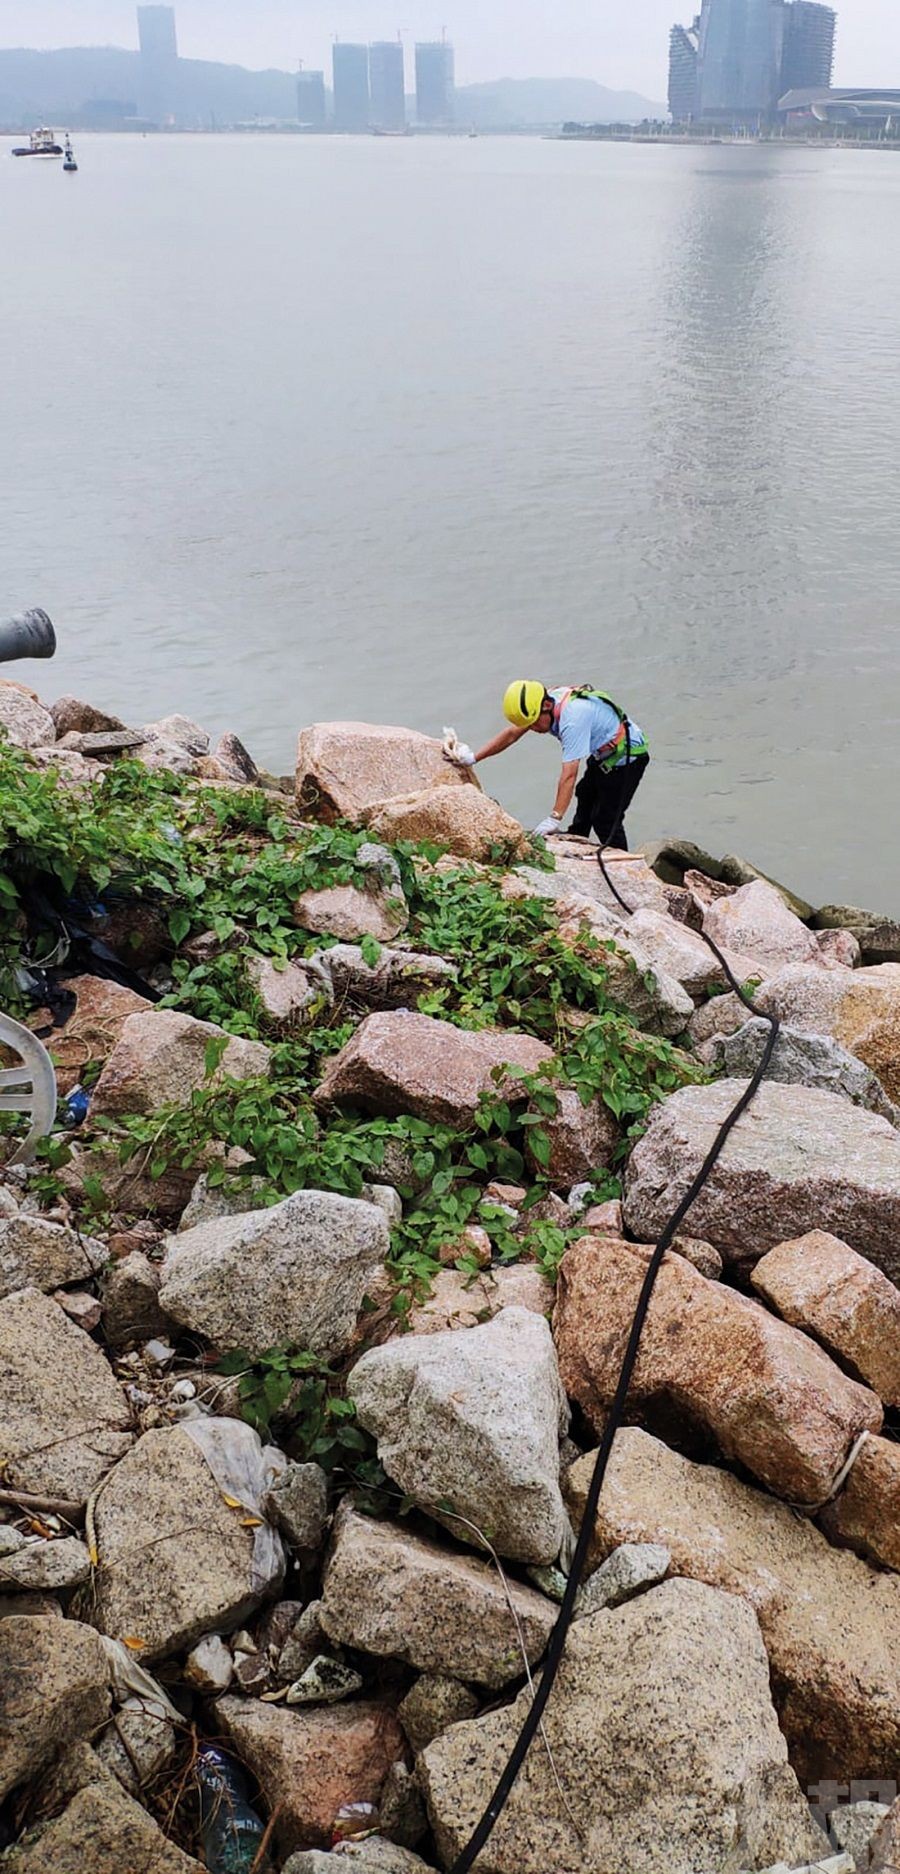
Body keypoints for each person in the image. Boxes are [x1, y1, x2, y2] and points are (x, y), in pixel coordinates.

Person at [449, 680, 650, 851]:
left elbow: (569, 774)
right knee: (585, 795)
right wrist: (473, 758)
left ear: (546, 705)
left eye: (535, 723)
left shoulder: (572, 720)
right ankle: (577, 839)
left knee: (606, 819)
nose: (534, 728)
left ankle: (622, 863)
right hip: (604, 752)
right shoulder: (542, 703)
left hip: (627, 758)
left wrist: (554, 818)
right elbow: (511, 735)